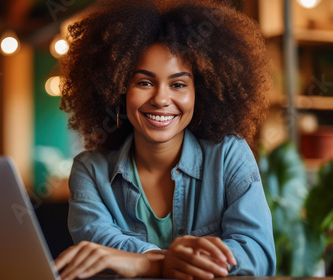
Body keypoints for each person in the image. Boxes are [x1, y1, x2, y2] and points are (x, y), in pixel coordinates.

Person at [54, 0, 276, 279]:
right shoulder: (90, 172)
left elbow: (258, 255)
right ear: (118, 89)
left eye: (178, 84)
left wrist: (144, 263)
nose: (160, 99)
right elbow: (101, 253)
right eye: (144, 82)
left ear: (200, 93)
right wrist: (164, 263)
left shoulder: (229, 155)